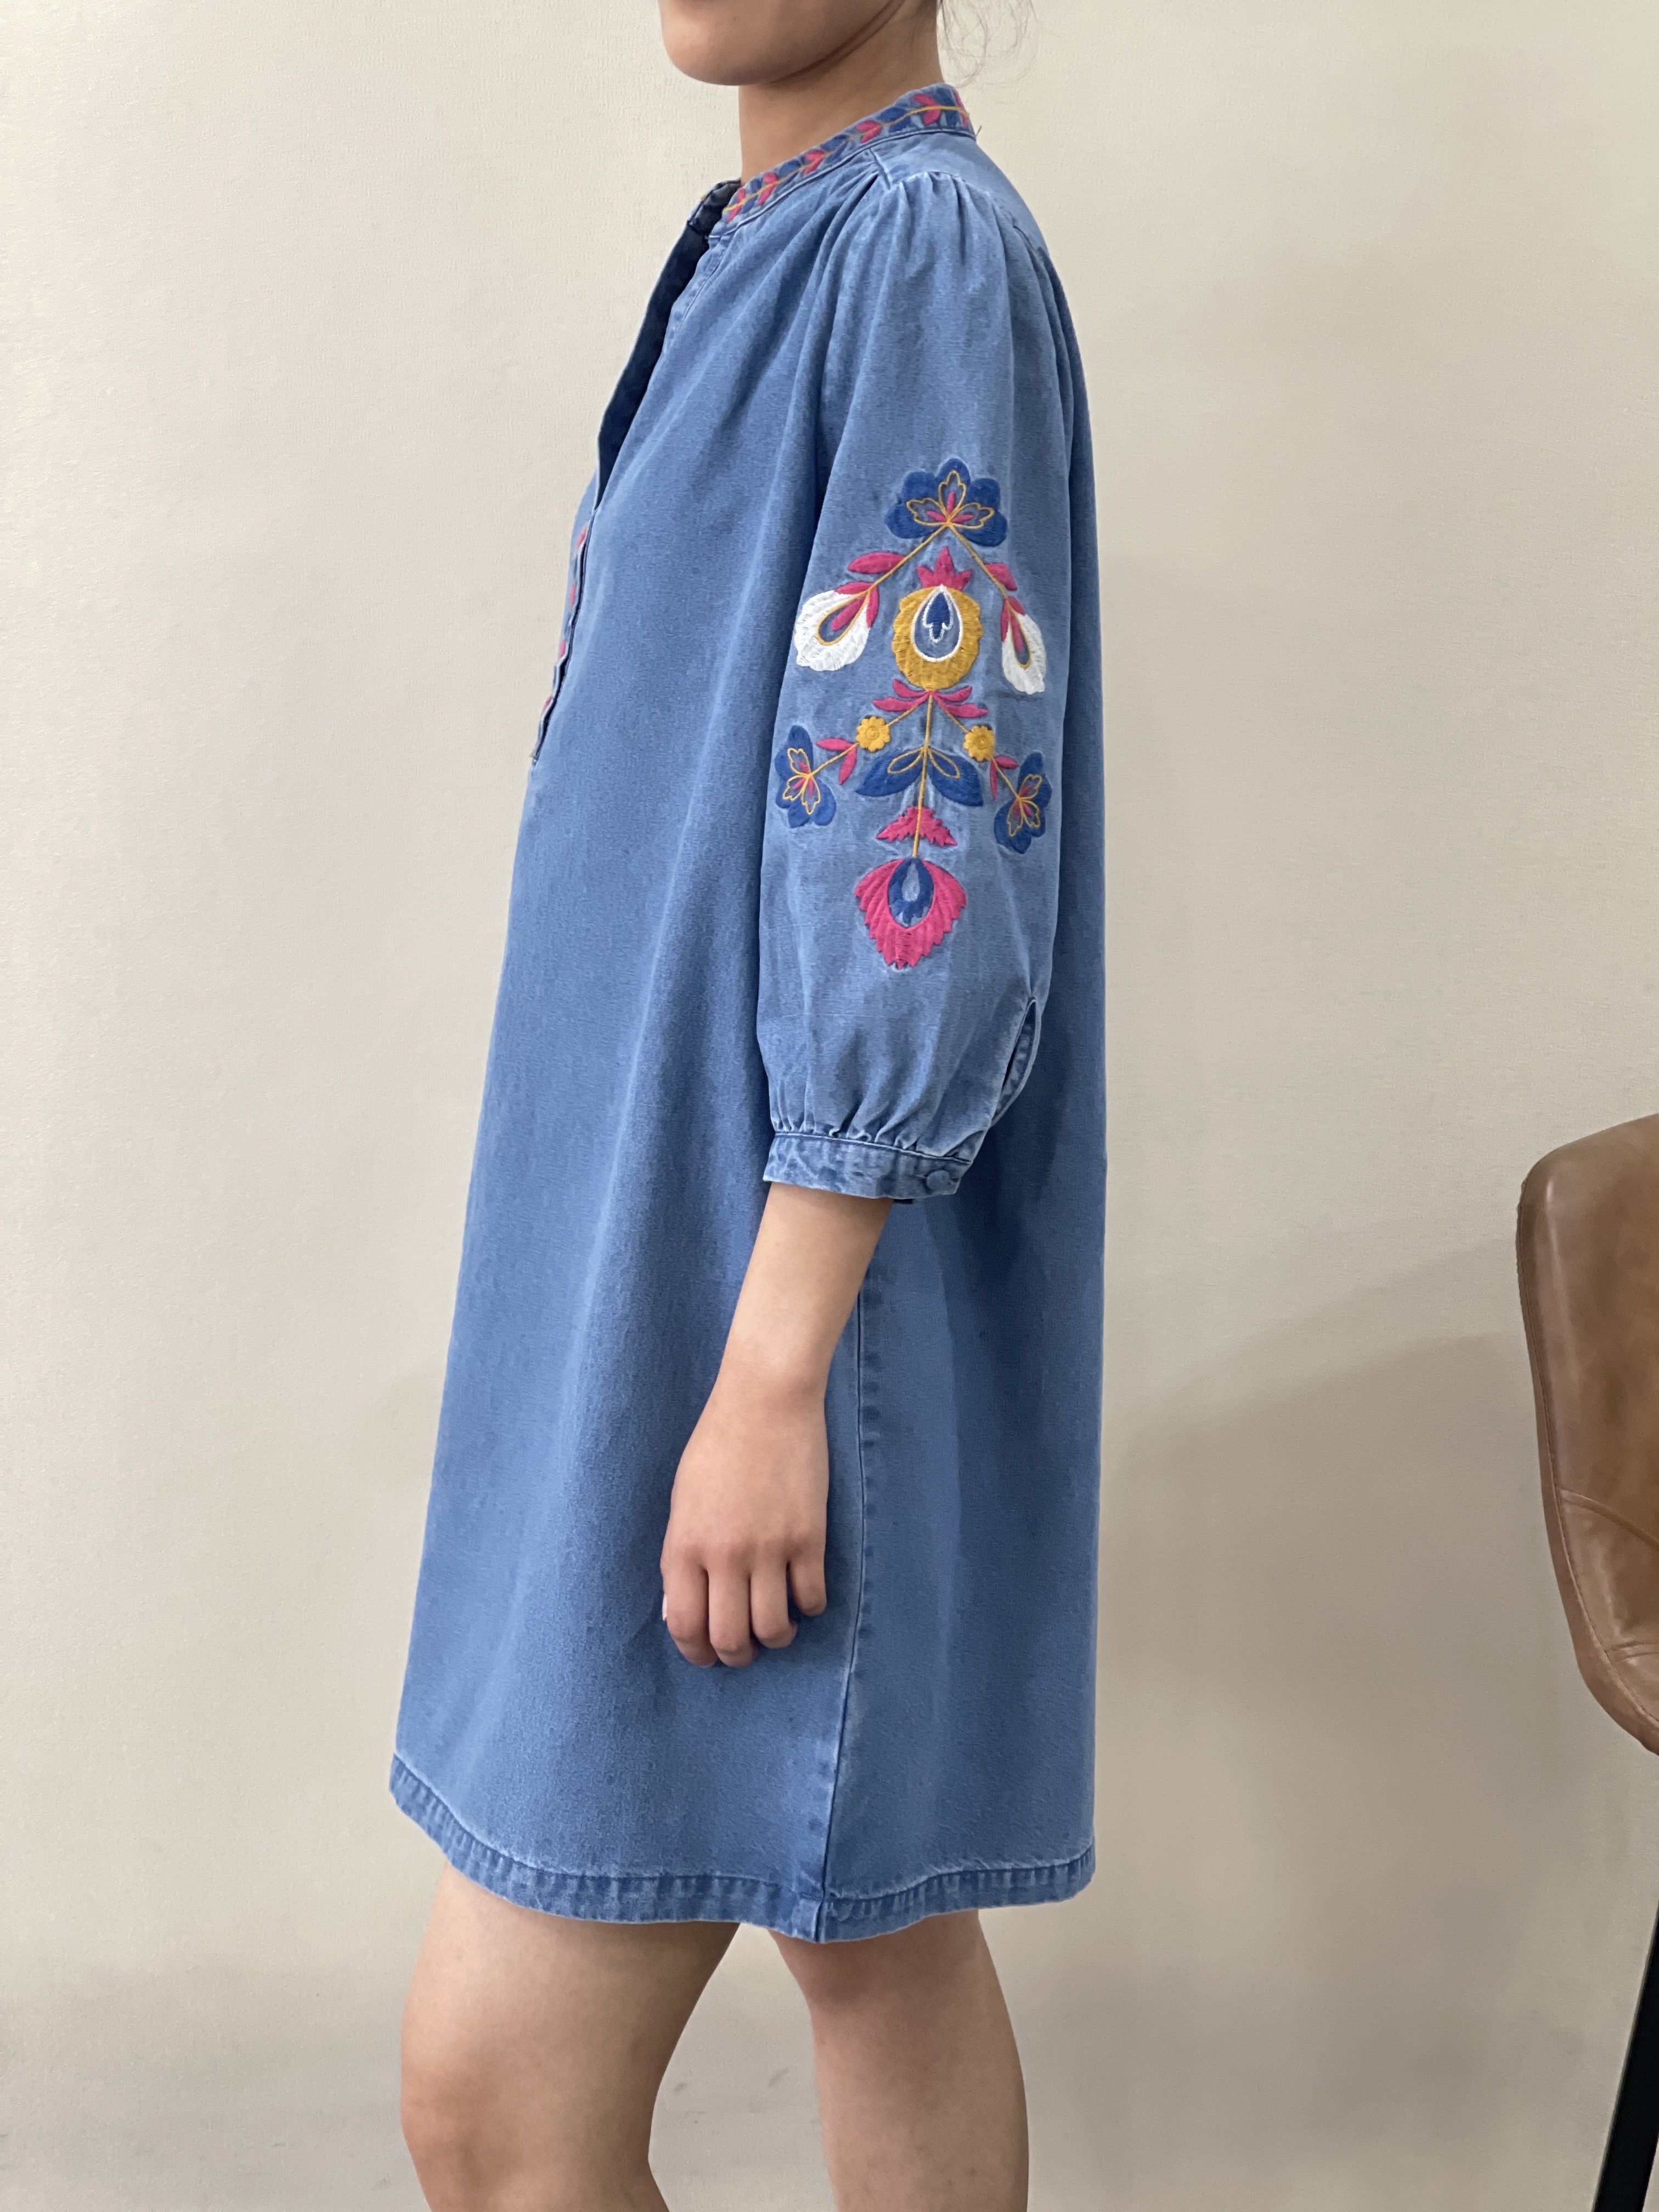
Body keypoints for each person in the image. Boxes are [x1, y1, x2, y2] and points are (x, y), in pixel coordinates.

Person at [392, 2, 1103, 2205]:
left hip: (759, 1291)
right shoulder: (763, 239)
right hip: (671, 1261)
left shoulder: (917, 250)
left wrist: (776, 1365)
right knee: (867, 1935)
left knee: (504, 2104)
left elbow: (922, 834)